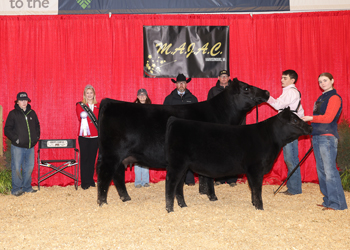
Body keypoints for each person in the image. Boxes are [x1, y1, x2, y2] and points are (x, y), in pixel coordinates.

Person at [302, 72, 347, 210]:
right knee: (322, 171)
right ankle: (328, 201)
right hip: (318, 136)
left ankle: (338, 203)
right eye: (320, 81)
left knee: (329, 171)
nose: (322, 83)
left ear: (332, 81)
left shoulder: (334, 97)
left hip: (327, 137)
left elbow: (328, 118)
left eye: (325, 80)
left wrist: (310, 118)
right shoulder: (322, 97)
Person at [267, 69, 304, 195]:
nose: (282, 80)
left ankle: (294, 189)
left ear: (292, 80)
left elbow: (278, 105)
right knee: (290, 157)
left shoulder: (291, 92)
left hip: (290, 129)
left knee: (291, 158)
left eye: (285, 78)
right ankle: (294, 187)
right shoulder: (289, 92)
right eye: (282, 77)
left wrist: (266, 97)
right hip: (289, 128)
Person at [164, 73, 198, 186]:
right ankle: (176, 180)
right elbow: (165, 116)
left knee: (189, 156)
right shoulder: (169, 99)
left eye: (183, 83)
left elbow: (196, 116)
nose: (181, 85)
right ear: (176, 85)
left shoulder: (193, 99)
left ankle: (189, 180)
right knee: (174, 156)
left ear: (186, 84)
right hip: (174, 132)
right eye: (179, 83)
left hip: (189, 132)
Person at [4, 92, 40, 196]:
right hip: (17, 147)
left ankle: (27, 187)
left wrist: (36, 138)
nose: (24, 102)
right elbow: (7, 129)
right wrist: (16, 139)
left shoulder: (32, 113)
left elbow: (37, 126)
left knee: (29, 167)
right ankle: (16, 189)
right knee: (16, 168)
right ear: (18, 102)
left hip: (30, 146)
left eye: (25, 100)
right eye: (21, 100)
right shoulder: (13, 114)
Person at [208, 70, 239, 187]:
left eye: (226, 76)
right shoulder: (213, 91)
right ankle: (219, 178)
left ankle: (231, 179)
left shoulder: (235, 90)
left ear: (229, 78)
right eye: (222, 76)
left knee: (232, 152)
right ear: (218, 78)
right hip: (218, 125)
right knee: (219, 152)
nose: (224, 78)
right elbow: (209, 107)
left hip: (232, 126)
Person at [76, 85, 99, 190]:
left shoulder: (98, 106)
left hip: (95, 136)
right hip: (84, 136)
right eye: (87, 93)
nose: (89, 95)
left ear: (94, 94)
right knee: (84, 159)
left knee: (92, 159)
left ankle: (91, 180)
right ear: (84, 95)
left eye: (91, 93)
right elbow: (81, 119)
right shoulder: (80, 105)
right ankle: (84, 182)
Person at [133, 88, 151, 188]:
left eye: (144, 94)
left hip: (147, 136)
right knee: (137, 159)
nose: (142, 96)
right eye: (140, 94)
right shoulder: (133, 108)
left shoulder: (150, 107)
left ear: (147, 96)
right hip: (136, 136)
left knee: (145, 158)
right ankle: (137, 181)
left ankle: (145, 181)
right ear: (137, 96)